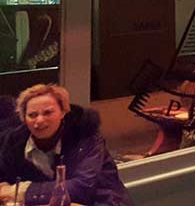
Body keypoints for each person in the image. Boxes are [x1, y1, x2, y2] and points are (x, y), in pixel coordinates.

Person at [0, 84, 133, 205]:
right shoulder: (13, 143)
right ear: (24, 118)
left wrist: (22, 191)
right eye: (32, 115)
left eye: (48, 112)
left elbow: (81, 187)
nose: (39, 120)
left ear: (63, 112)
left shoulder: (85, 135)